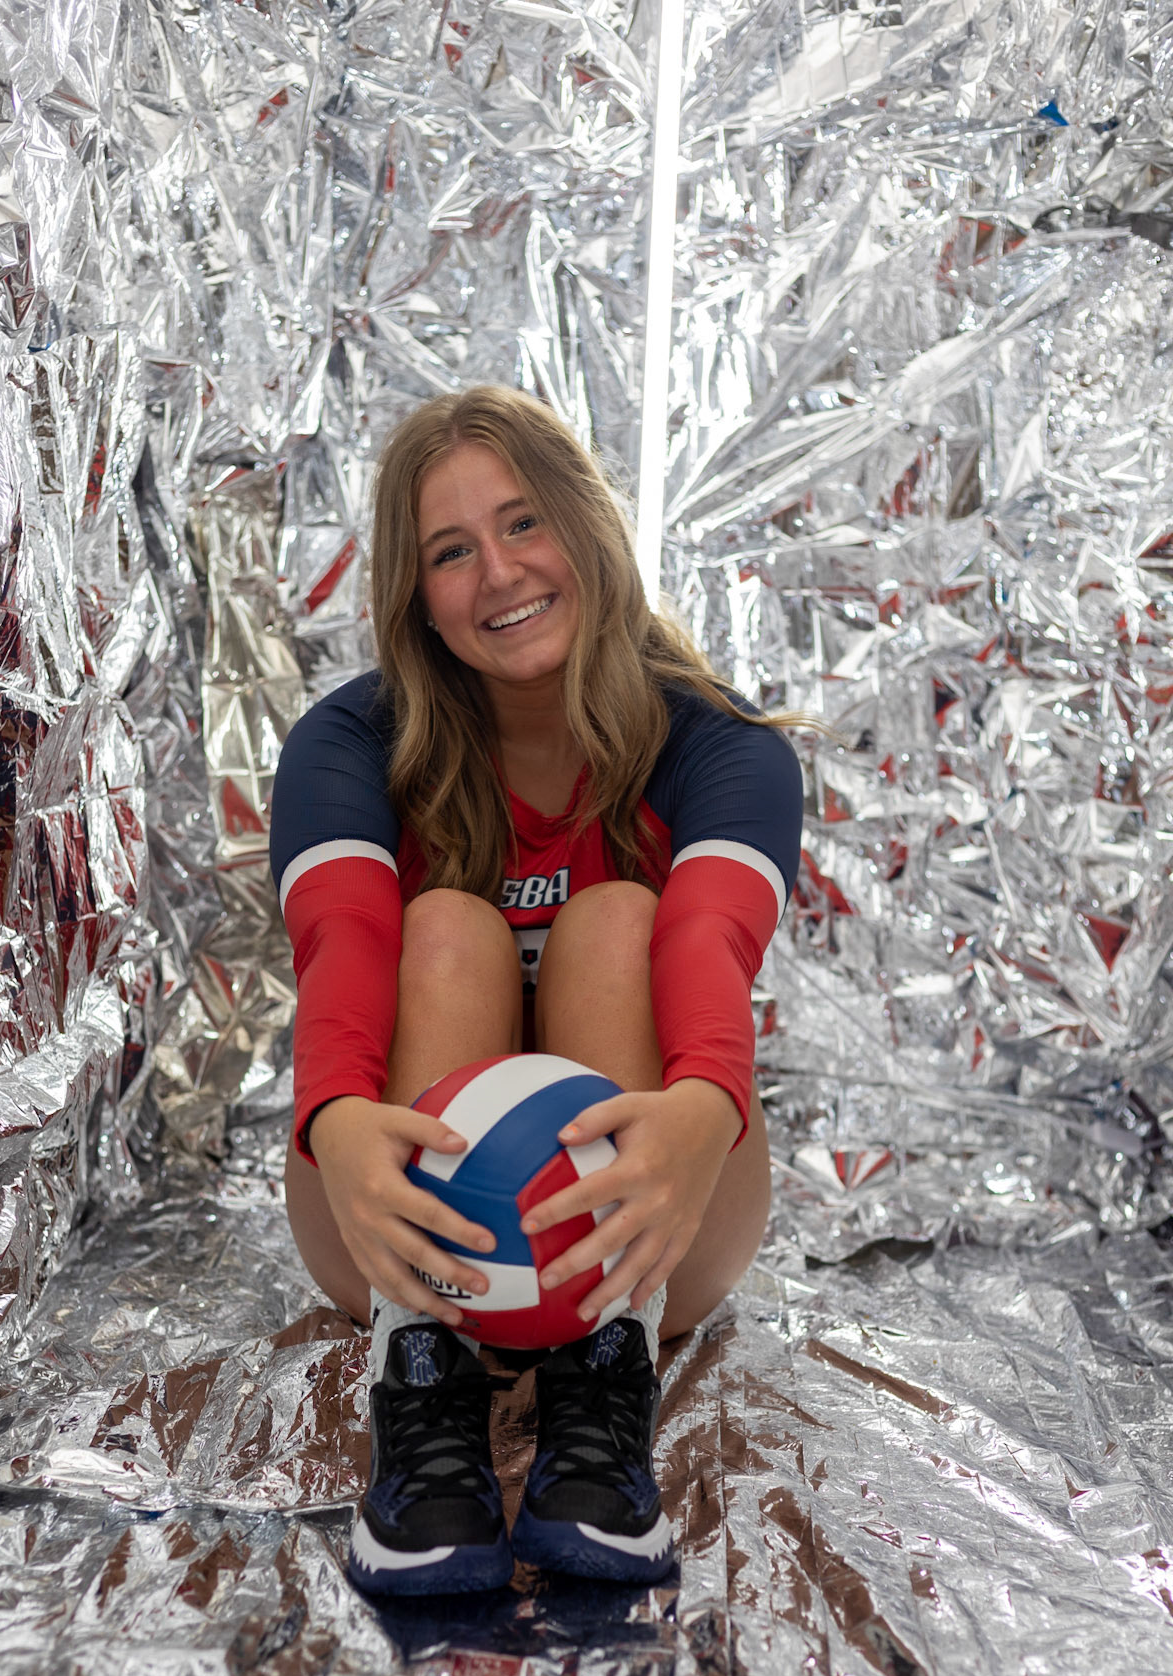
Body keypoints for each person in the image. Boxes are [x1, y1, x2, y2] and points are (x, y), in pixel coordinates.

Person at [270, 386, 804, 1597]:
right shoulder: (349, 744)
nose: (496, 571)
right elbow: (341, 951)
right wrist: (337, 1125)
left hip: (654, 1206)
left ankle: (604, 1395)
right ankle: (423, 1401)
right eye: (450, 551)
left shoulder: (719, 743)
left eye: (523, 524)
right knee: (445, 927)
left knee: (622, 918)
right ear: (416, 595)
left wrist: (704, 1110)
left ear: (589, 528)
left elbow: (711, 945)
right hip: (399, 1223)